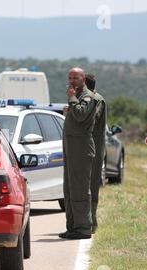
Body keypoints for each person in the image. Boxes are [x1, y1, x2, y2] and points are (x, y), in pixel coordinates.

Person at [59, 68, 98, 240]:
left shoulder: (88, 96)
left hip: (81, 148)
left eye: (75, 77)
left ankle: (83, 228)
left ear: (83, 79)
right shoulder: (78, 97)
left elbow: (82, 115)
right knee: (69, 188)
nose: (71, 80)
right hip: (71, 147)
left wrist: (72, 98)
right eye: (69, 77)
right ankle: (73, 227)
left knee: (80, 188)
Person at [85, 74, 107, 234]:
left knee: (92, 185)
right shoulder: (89, 99)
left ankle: (92, 222)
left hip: (93, 149)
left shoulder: (96, 100)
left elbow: (92, 119)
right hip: (85, 148)